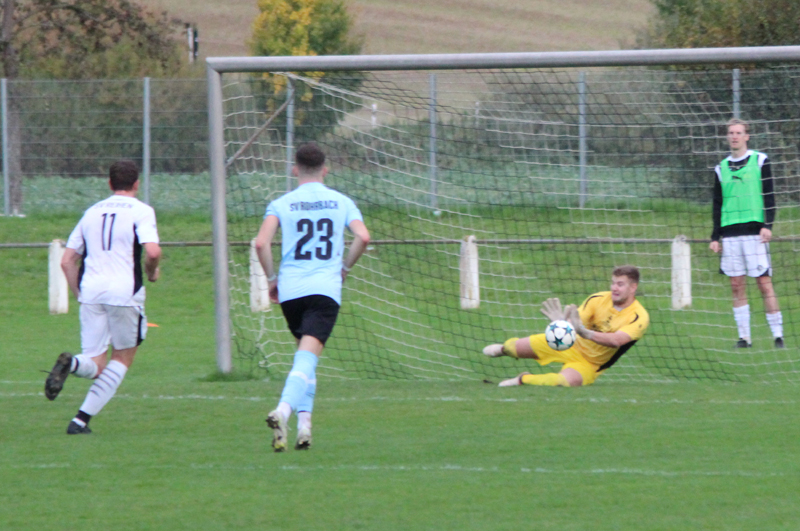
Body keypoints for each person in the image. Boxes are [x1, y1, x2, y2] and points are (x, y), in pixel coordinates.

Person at [255, 142, 370, 452]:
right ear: (325, 170)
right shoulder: (342, 201)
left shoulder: (281, 203)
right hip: (323, 290)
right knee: (306, 359)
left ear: (295, 170)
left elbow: (261, 243)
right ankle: (283, 411)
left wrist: (271, 280)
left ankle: (305, 428)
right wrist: (345, 267)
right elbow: (363, 236)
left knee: (305, 359)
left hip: (291, 290)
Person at [44, 160, 161, 434]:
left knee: (96, 364)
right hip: (123, 292)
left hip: (92, 291)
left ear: (109, 184)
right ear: (136, 184)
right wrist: (151, 271)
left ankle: (71, 365)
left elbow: (67, 261)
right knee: (122, 358)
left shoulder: (91, 212)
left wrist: (79, 296)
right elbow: (153, 252)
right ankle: (80, 419)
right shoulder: (141, 211)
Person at [483, 265, 649, 387]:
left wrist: (585, 333)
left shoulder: (639, 316)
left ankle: (523, 379)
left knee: (562, 382)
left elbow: (616, 340)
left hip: (590, 364)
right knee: (514, 348)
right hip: (569, 344)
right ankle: (503, 350)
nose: (614, 288)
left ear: (633, 287)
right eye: (613, 283)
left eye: (620, 284)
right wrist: (560, 324)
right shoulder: (597, 299)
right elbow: (576, 323)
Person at [710, 119, 783, 348]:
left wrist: (767, 226)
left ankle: (778, 335)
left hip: (755, 232)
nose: (734, 136)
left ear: (746, 136)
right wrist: (715, 236)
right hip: (730, 234)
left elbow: (770, 196)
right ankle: (744, 337)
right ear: (727, 136)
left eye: (739, 133)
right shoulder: (720, 168)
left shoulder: (760, 161)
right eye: (731, 133)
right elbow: (717, 204)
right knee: (736, 284)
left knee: (763, 283)